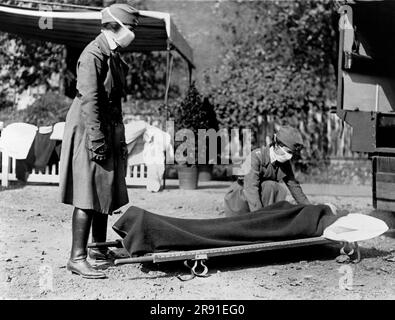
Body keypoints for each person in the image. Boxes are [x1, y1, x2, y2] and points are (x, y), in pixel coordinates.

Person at [59, 4, 140, 279]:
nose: (133, 34)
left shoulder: (113, 54)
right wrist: (96, 139)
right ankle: (77, 257)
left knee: (103, 190)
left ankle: (97, 248)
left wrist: (118, 135)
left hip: (106, 128)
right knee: (87, 193)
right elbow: (89, 101)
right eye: (131, 28)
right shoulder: (93, 54)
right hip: (88, 129)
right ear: (115, 26)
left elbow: (114, 99)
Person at [224, 125, 310, 216]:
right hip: (240, 198)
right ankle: (263, 218)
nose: (290, 156)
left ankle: (267, 217)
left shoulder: (284, 164)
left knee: (276, 188)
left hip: (257, 198)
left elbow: (294, 186)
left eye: (292, 153)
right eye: (288, 152)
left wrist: (309, 209)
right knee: (270, 186)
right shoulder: (256, 157)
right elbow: (251, 188)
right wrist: (259, 216)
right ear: (277, 145)